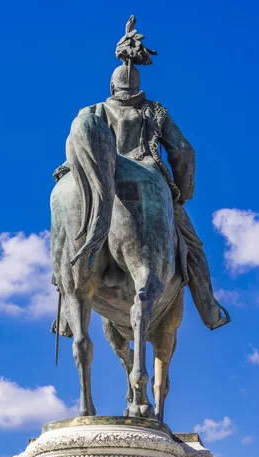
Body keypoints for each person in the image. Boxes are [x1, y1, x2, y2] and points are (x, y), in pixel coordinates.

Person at [53, 62, 230, 331]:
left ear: (112, 87)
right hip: (146, 176)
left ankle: (67, 314)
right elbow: (183, 151)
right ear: (138, 88)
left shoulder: (92, 112)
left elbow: (76, 150)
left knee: (65, 240)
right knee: (193, 246)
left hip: (97, 174)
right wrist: (182, 194)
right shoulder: (153, 111)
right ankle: (209, 307)